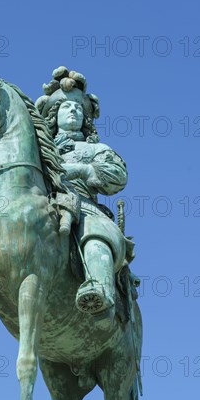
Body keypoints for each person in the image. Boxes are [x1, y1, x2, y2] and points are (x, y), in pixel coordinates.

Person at [36, 67, 130, 320]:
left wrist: (80, 169)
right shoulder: (34, 148)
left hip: (84, 207)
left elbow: (117, 176)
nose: (74, 111)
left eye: (79, 107)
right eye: (67, 106)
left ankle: (98, 286)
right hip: (38, 205)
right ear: (54, 115)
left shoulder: (97, 149)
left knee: (94, 232)